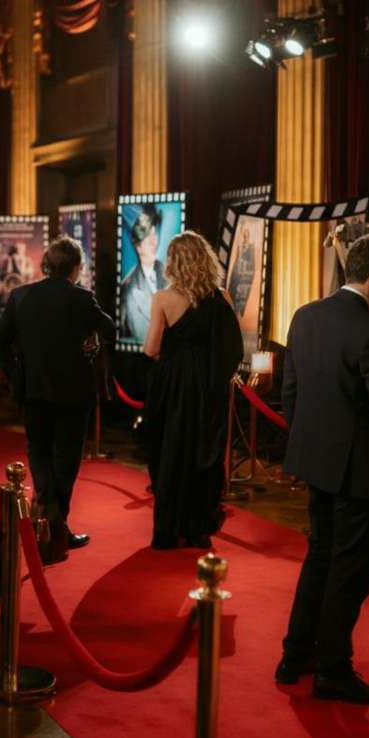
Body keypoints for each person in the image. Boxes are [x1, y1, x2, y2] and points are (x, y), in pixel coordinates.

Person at [275, 232, 369, 704]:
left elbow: (289, 392)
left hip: (316, 460)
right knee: (350, 569)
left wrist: (309, 441)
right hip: (358, 469)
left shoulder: (305, 315)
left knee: (319, 557)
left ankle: (296, 655)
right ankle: (333, 669)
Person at [0, 236, 115, 558]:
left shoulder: (20, 297)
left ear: (47, 265)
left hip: (32, 391)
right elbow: (108, 326)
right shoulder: (81, 298)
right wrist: (86, 338)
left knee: (39, 454)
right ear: (76, 267)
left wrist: (15, 376)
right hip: (74, 393)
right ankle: (56, 527)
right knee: (66, 461)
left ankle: (47, 520)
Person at [142, 232, 243, 550]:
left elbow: (151, 348)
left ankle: (167, 531)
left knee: (170, 452)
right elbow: (234, 349)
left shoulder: (162, 298)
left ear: (173, 263)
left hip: (173, 387)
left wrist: (175, 361)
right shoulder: (222, 297)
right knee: (204, 454)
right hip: (209, 387)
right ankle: (198, 528)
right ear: (205, 260)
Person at [119, 204, 166, 342]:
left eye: (154, 234)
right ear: (138, 246)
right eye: (148, 237)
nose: (154, 242)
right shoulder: (127, 289)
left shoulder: (171, 276)